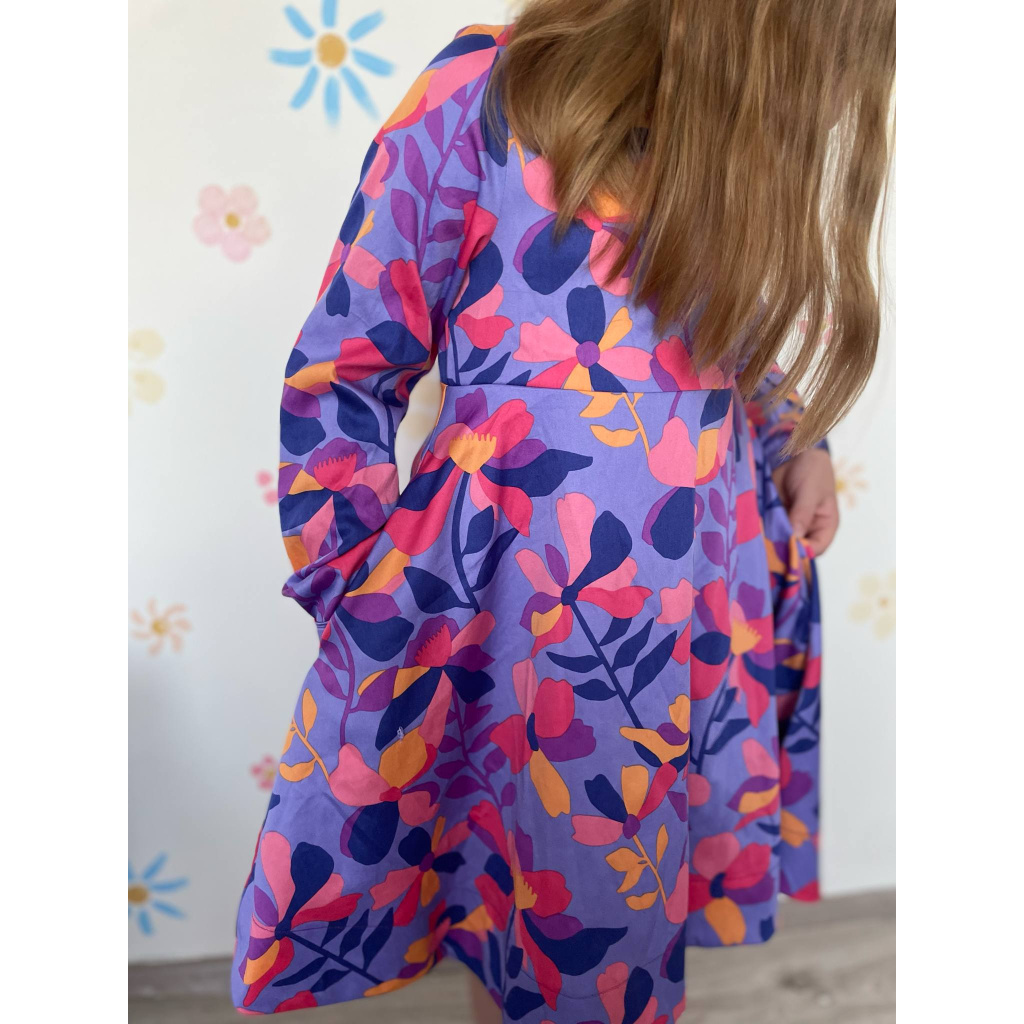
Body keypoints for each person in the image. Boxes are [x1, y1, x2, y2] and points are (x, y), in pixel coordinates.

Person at [230, 3, 894, 1020]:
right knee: (532, 894)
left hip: (700, 605)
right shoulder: (486, 94)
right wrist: (355, 592)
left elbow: (735, 334)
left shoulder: (733, 147)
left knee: (611, 905)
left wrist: (797, 442)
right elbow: (346, 369)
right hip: (526, 610)